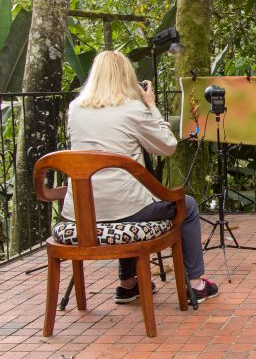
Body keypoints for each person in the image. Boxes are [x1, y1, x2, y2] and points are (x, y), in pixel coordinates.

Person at [61, 50, 218, 304]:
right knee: (185, 205)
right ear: (127, 77)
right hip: (126, 213)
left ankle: (127, 284)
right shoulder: (132, 109)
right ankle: (196, 284)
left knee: (126, 198)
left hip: (82, 212)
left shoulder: (75, 109)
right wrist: (151, 106)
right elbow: (167, 146)